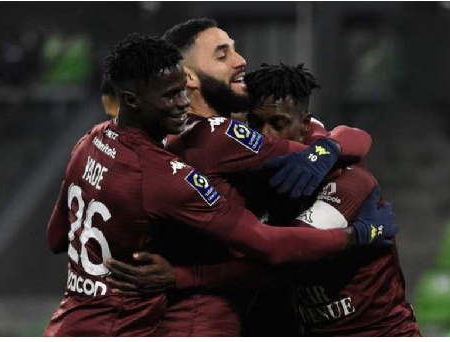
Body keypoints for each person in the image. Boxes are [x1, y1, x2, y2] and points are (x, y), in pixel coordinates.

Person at [43, 34, 396, 337]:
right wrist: (358, 235)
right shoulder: (182, 163)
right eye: (222, 53)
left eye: (180, 91)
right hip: (157, 323)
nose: (180, 102)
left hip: (69, 322)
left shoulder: (91, 141)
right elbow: (270, 249)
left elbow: (56, 237)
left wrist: (325, 147)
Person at [105, 64, 419, 337]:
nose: (266, 133)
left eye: (278, 124)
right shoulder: (254, 169)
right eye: (255, 123)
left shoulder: (346, 181)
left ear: (303, 125)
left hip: (379, 331)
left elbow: (284, 258)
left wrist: (181, 277)